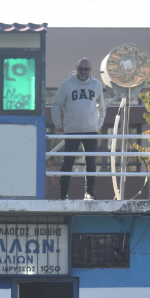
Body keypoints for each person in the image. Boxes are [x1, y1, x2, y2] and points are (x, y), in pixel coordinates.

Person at [52, 58, 107, 201]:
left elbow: (102, 107)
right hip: (71, 130)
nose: (83, 72)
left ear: (90, 69)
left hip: (91, 130)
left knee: (91, 163)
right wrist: (58, 124)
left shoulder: (96, 85)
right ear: (76, 68)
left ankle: (89, 193)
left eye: (86, 69)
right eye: (81, 69)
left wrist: (99, 124)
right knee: (68, 162)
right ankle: (63, 194)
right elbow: (56, 104)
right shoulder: (66, 85)